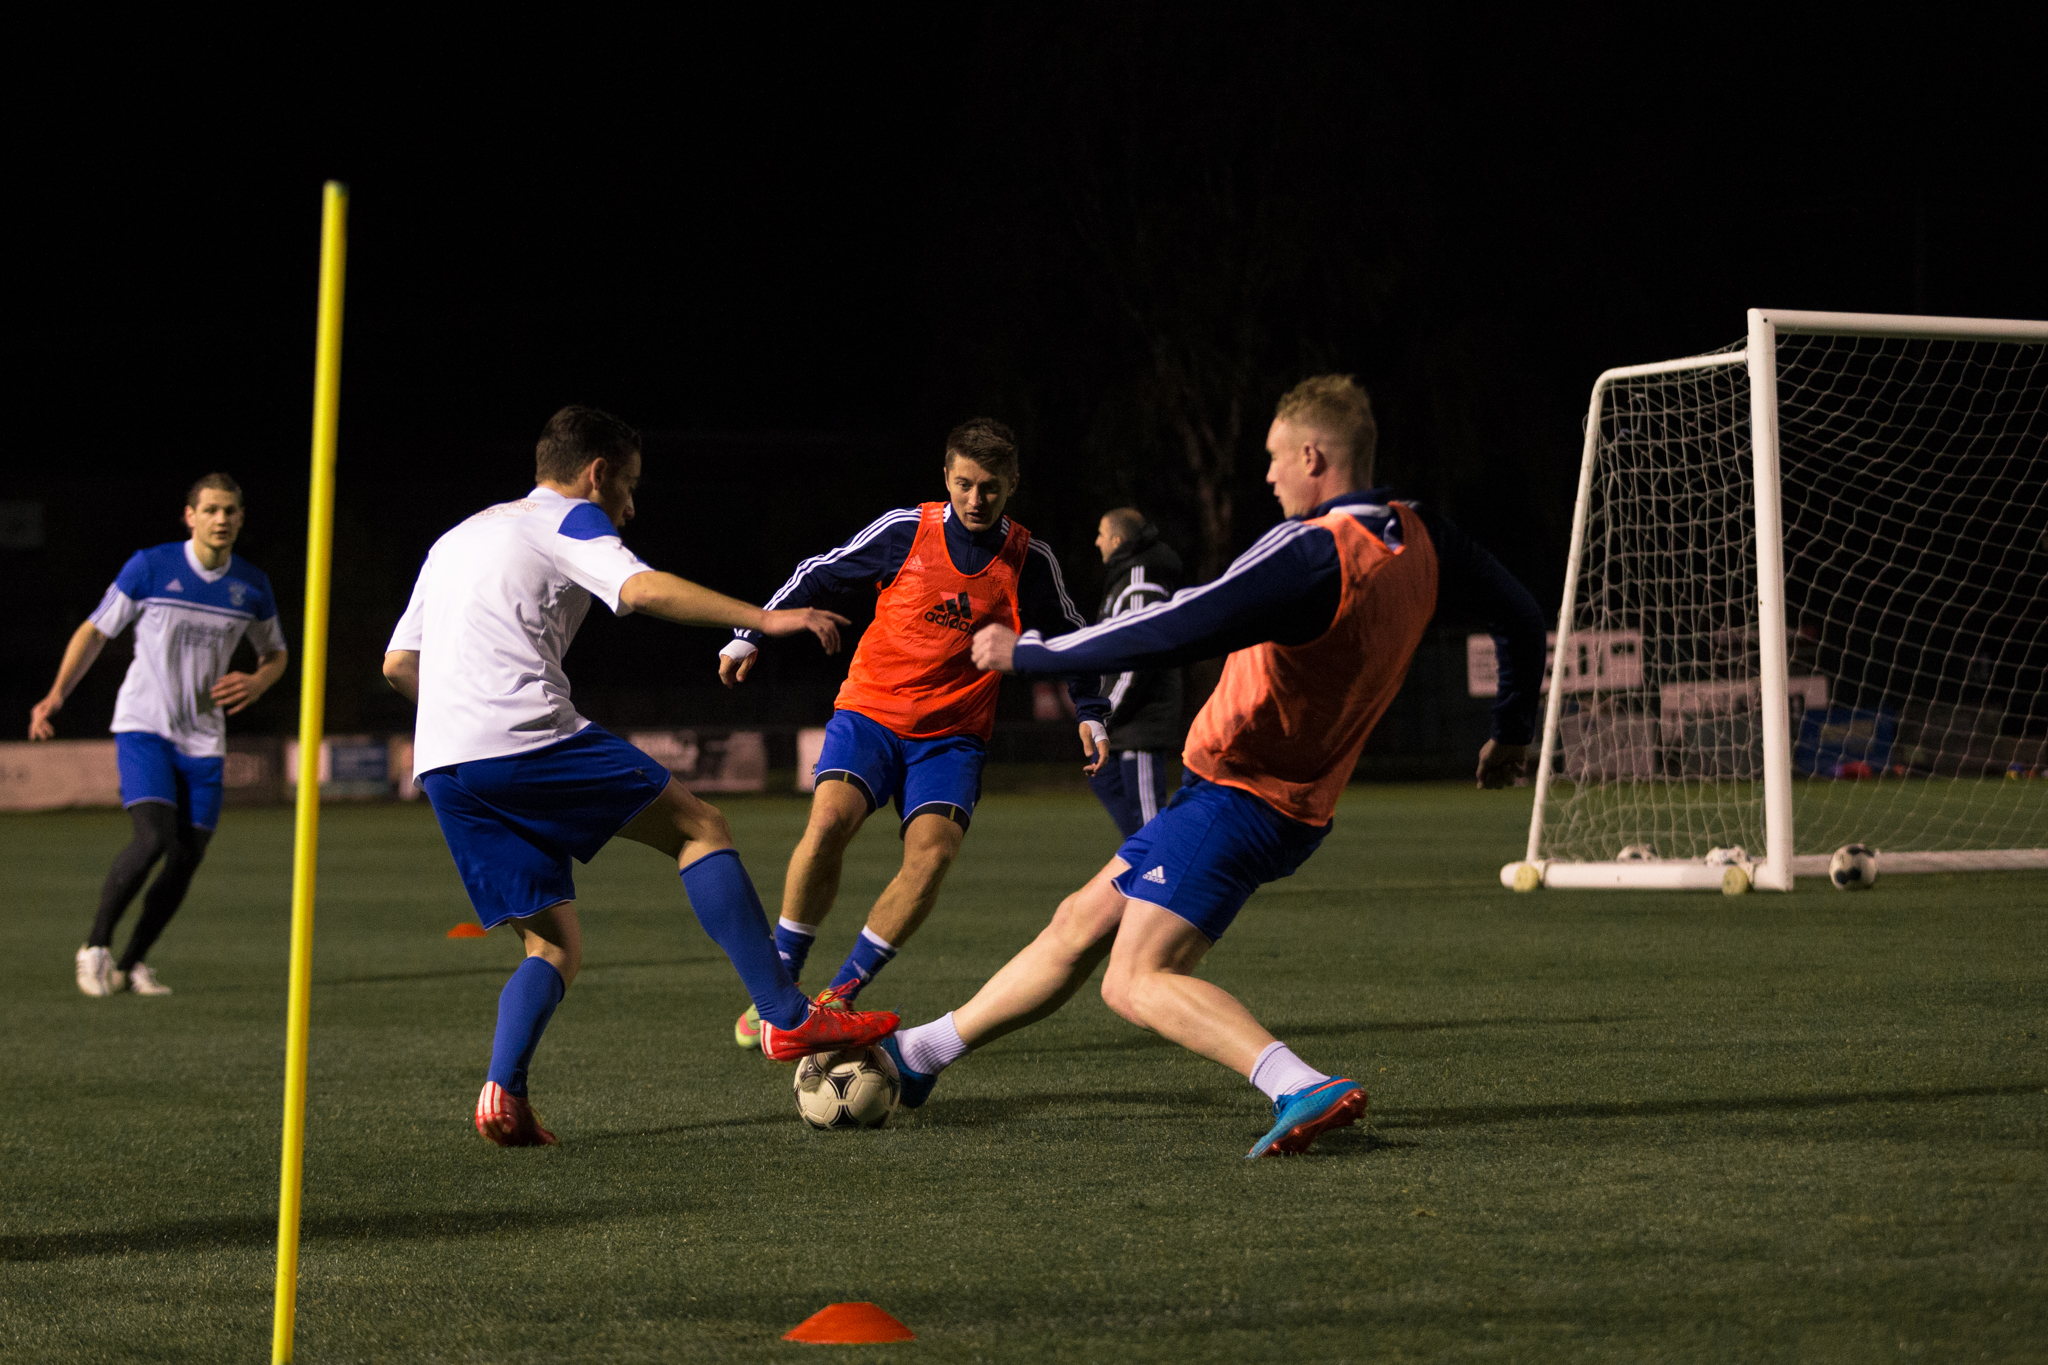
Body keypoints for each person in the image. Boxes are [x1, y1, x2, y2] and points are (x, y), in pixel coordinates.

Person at [877, 375, 1549, 1157]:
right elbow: (1521, 613)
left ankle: (1298, 1083)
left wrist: (1030, 651)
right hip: (1291, 800)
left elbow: (1178, 623)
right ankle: (918, 1055)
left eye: (1274, 457)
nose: (1268, 475)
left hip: (1239, 794)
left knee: (1134, 978)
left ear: (1312, 456)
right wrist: (1511, 729)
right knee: (1079, 921)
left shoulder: (1313, 552)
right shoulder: (1421, 534)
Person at [382, 406, 898, 1147]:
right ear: (597, 473)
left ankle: (504, 1092)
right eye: (628, 486)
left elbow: (398, 665)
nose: (629, 507)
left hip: (444, 763)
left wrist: (462, 721)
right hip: (521, 734)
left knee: (552, 947)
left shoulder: (458, 536)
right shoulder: (568, 519)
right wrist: (767, 619)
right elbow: (642, 589)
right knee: (700, 828)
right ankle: (785, 1015)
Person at [719, 418, 1110, 1046]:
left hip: (953, 736)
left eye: (990, 487)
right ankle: (779, 985)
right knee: (828, 822)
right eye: (964, 484)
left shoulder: (1030, 560)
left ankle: (838, 998)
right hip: (871, 712)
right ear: (946, 478)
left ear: (1013, 483)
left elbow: (1071, 634)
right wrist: (751, 633)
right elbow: (818, 572)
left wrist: (1090, 709)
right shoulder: (905, 530)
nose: (976, 499)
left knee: (931, 858)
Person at [32, 474, 289, 998]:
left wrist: (259, 681)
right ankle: (95, 947)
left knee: (187, 857)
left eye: (230, 511)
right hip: (144, 725)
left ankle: (132, 965)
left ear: (241, 518)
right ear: (190, 516)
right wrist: (57, 694)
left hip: (204, 739)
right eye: (211, 510)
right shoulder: (150, 566)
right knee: (153, 838)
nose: (221, 519)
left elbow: (276, 653)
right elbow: (95, 630)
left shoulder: (251, 585)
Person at [1086, 507, 1184, 837]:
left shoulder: (1139, 582)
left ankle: (1162, 863)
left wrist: (1103, 713)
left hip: (1139, 721)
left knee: (1149, 817)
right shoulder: (1124, 577)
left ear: (1117, 540)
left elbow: (1138, 660)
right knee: (1101, 776)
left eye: (1101, 534)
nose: (1096, 542)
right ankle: (1140, 856)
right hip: (1125, 720)